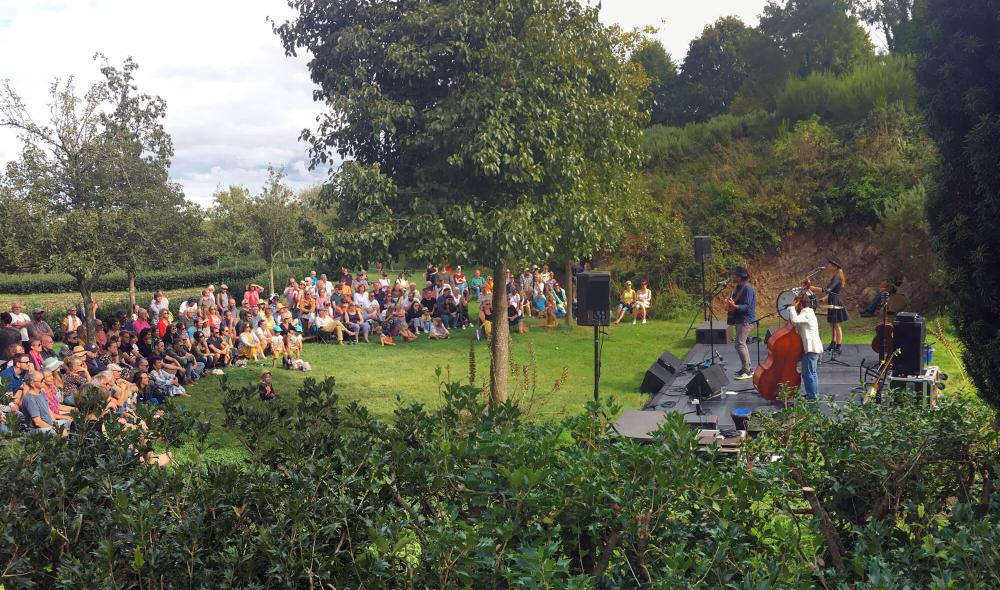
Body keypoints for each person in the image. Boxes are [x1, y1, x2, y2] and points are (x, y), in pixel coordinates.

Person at [786, 291, 824, 401]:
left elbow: (795, 320)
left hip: (812, 348)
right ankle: (812, 394)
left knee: (809, 373)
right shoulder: (808, 312)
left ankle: (812, 397)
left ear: (801, 304)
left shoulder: (806, 312)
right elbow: (797, 324)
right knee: (810, 373)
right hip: (812, 348)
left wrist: (792, 308)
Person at [807, 256, 849, 354]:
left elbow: (829, 289)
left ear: (835, 267)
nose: (828, 266)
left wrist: (814, 289)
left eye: (830, 265)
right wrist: (824, 298)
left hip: (836, 301)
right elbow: (833, 291)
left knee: (837, 324)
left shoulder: (837, 276)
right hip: (832, 300)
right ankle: (833, 343)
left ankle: (838, 346)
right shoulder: (836, 276)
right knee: (832, 324)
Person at [726, 266, 757, 380]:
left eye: (735, 275)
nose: (734, 277)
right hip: (739, 319)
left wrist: (735, 306)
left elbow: (747, 306)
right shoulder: (738, 287)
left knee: (739, 344)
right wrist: (729, 302)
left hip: (746, 320)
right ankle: (748, 368)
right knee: (741, 344)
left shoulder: (748, 289)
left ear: (740, 277)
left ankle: (747, 370)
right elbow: (735, 300)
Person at [20, 370, 68, 435]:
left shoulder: (41, 392)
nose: (44, 381)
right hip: (37, 429)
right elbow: (37, 422)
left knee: (70, 422)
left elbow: (48, 410)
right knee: (62, 432)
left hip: (49, 424)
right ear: (32, 384)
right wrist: (55, 429)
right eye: (42, 380)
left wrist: (55, 423)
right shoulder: (30, 399)